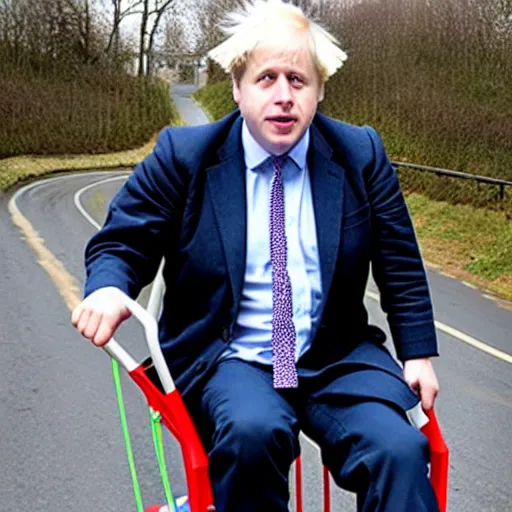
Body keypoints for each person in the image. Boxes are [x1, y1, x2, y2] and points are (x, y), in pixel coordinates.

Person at [71, 0, 441, 510]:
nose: (284, 96)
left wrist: (417, 353)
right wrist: (110, 287)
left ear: (319, 90)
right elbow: (123, 240)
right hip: (232, 357)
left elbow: (399, 258)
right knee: (252, 433)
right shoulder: (185, 155)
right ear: (238, 88)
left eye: (298, 79)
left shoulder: (360, 154)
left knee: (399, 452)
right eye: (267, 79)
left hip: (333, 357)